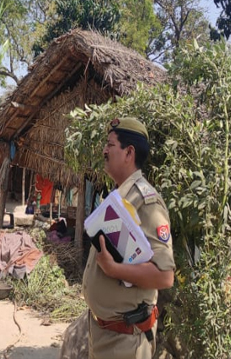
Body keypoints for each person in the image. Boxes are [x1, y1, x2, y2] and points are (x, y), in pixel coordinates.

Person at [83, 118, 175, 359]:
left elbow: (165, 276)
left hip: (125, 342)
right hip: (103, 334)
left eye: (110, 145)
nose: (104, 150)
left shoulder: (146, 202)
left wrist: (114, 269)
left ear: (129, 153)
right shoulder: (118, 197)